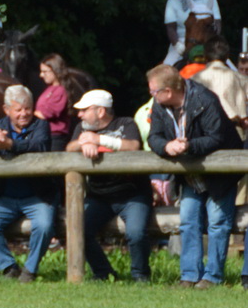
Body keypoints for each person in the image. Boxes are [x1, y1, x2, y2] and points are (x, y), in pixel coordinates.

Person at [146, 63, 241, 287]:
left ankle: (212, 277)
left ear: (168, 91)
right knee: (188, 221)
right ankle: (189, 276)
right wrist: (166, 147)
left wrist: (189, 146)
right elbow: (154, 137)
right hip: (190, 176)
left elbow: (216, 137)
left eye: (153, 91)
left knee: (218, 222)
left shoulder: (205, 100)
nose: (151, 95)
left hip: (219, 174)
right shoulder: (160, 106)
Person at [68, 89, 152, 283]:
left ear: (100, 111)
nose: (79, 114)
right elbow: (69, 147)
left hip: (132, 193)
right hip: (99, 195)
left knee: (136, 233)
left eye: (84, 110)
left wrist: (99, 141)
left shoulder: (126, 123)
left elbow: (133, 146)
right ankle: (103, 273)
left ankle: (140, 275)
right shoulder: (82, 128)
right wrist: (83, 144)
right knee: (79, 229)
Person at [0, 85, 56, 281]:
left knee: (44, 226)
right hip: (5, 197)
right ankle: (8, 267)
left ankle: (30, 270)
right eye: (18, 109)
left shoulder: (40, 125)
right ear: (6, 109)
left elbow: (39, 146)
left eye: (27, 108)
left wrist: (10, 144)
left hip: (38, 196)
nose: (24, 114)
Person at [164, 0, 220, 66]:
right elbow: (170, 28)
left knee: (231, 69)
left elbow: (217, 23)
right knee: (166, 68)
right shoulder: (172, 2)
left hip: (206, 42)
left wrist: (212, 41)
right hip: (181, 42)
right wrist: (177, 44)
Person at [193, 38, 248, 139]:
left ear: (205, 56)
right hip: (233, 131)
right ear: (227, 56)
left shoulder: (194, 80)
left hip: (203, 132)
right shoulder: (240, 78)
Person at [34, 54, 82, 144]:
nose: (41, 75)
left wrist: (29, 114)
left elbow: (46, 114)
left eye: (45, 72)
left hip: (55, 138)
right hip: (44, 134)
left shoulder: (60, 91)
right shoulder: (49, 89)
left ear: (55, 71)